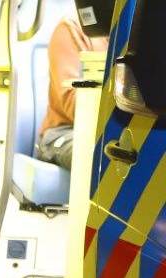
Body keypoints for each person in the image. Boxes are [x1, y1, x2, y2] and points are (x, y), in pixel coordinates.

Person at [37, 15, 109, 169]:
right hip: (63, 132)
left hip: (107, 131)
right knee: (99, 156)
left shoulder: (132, 40)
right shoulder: (71, 28)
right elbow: (72, 105)